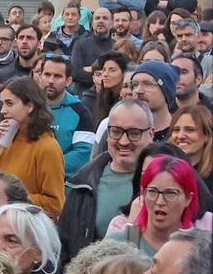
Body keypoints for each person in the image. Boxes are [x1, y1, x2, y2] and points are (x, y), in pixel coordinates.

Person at [62, 100, 157, 258]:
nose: (124, 141)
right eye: (116, 131)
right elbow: (64, 246)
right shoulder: (81, 184)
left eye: (134, 133)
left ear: (151, 134)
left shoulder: (169, 182)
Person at [0, 77, 66, 219]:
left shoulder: (48, 147)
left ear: (30, 106)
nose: (3, 110)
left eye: (9, 104)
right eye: (2, 104)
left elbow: (55, 204)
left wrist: (9, 199)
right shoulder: (8, 138)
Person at [106, 153, 205, 256]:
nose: (160, 202)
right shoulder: (116, 244)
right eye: (152, 191)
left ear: (188, 198)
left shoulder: (200, 251)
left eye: (170, 193)